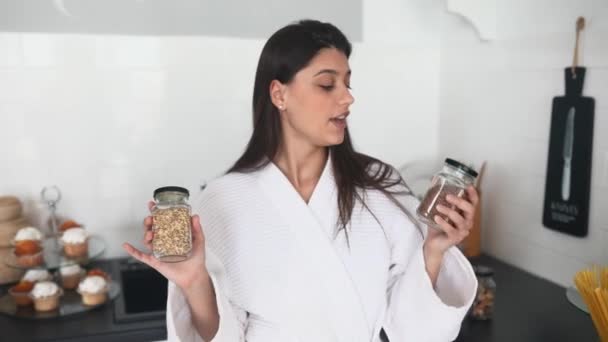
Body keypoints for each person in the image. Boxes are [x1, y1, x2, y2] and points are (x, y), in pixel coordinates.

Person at [123, 19, 478, 342]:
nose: (348, 97)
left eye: (347, 83)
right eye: (327, 84)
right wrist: (194, 281)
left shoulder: (378, 185)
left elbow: (416, 332)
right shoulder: (222, 200)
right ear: (279, 94)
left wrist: (433, 250)